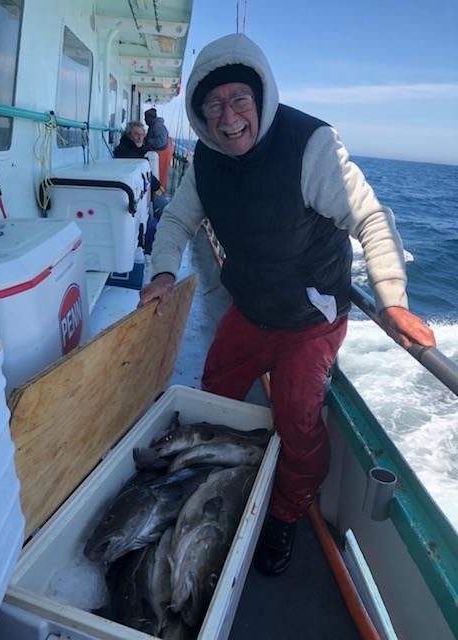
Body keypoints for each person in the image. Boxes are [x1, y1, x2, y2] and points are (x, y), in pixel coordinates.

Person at [138, 33, 436, 576]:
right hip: (251, 306)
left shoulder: (311, 146)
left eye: (240, 99)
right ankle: (214, 486)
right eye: (213, 105)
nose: (229, 117)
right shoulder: (205, 159)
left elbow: (371, 219)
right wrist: (161, 273)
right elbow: (178, 220)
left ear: (262, 97)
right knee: (214, 394)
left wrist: (391, 301)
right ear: (200, 115)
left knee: (297, 421)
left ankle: (284, 512)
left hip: (310, 318)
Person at [114, 121, 168, 219]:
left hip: (140, 189)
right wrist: (157, 186)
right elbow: (141, 171)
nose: (140, 138)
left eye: (142, 135)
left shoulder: (135, 148)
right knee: (166, 208)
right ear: (129, 135)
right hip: (131, 194)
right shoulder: (125, 151)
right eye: (136, 134)